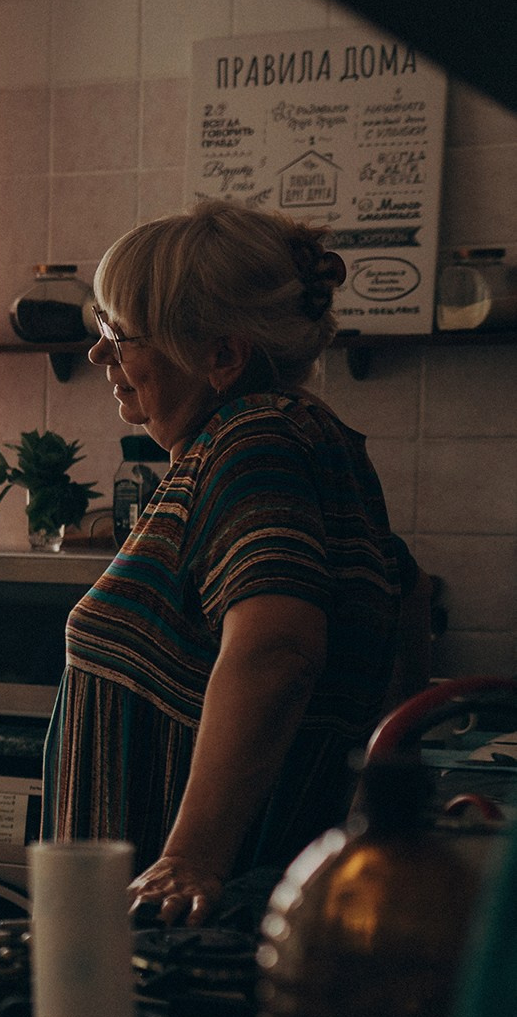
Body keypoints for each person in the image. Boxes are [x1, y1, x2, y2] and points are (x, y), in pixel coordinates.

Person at [45, 201, 415, 926]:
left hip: (183, 913)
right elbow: (408, 599)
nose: (99, 355)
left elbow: (277, 649)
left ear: (222, 357)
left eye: (120, 334)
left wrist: (190, 860)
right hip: (227, 898)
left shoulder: (254, 443)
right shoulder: (306, 438)